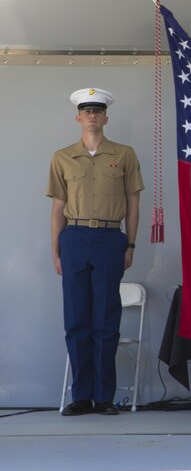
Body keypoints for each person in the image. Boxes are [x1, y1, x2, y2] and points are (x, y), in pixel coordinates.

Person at [47, 88, 144, 416]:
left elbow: (133, 202)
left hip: (108, 238)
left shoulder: (124, 154)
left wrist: (130, 243)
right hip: (74, 236)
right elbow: (58, 207)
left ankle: (104, 397)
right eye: (86, 111)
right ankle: (81, 396)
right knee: (76, 320)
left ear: (105, 118)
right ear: (78, 118)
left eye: (97, 111)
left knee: (106, 319)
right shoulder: (62, 157)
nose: (91, 116)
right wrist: (57, 249)